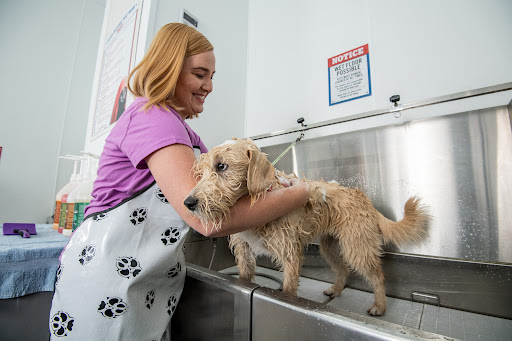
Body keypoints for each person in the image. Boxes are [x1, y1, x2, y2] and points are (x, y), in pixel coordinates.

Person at [48, 23, 308, 340]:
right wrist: (299, 195)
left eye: (212, 77)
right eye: (200, 74)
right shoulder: (153, 117)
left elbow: (225, 193)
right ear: (169, 69)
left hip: (142, 285)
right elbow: (207, 219)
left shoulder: (186, 134)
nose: (209, 86)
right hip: (107, 283)